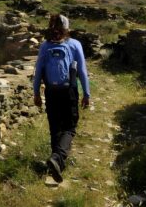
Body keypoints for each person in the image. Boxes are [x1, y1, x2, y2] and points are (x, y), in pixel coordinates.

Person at [32, 14, 90, 183]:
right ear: (67, 28)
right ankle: (57, 158)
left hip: (51, 91)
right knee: (70, 127)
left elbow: (38, 71)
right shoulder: (74, 44)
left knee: (55, 126)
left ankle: (56, 163)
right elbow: (82, 72)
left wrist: (36, 93)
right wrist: (86, 93)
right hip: (68, 91)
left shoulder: (45, 46)